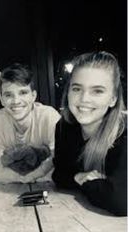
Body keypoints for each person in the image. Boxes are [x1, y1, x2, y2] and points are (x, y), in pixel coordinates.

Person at [52, 51, 127, 216]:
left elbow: (121, 201)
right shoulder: (64, 127)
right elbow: (59, 175)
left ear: (113, 98)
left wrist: (82, 182)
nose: (84, 98)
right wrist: (81, 177)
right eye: (77, 88)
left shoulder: (124, 133)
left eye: (97, 91)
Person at [0, 63, 60, 183]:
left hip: (51, 187)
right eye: (8, 95)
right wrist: (25, 179)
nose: (16, 101)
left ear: (33, 96)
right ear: (1, 100)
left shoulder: (48, 116)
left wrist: (31, 176)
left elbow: (60, 162)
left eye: (23, 93)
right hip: (15, 187)